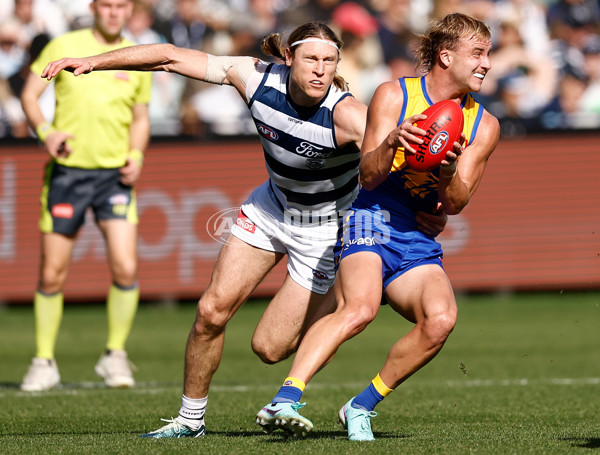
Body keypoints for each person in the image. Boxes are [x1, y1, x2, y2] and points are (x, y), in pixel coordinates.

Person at [40, 21, 447, 437]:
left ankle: (342, 301)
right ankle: (189, 420)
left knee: (269, 349)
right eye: (311, 59)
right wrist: (93, 61)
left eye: (329, 61)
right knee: (209, 313)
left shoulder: (348, 116)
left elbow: (389, 169)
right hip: (270, 209)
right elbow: (169, 55)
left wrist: (432, 208)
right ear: (289, 58)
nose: (320, 70)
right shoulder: (253, 76)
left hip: (325, 233)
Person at [256, 12, 500, 441]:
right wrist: (392, 141)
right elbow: (367, 176)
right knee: (360, 308)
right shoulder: (394, 95)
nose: (486, 63)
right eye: (477, 53)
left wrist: (444, 175)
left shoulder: (485, 124)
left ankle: (361, 407)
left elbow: (457, 203)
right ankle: (285, 399)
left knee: (440, 319)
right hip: (371, 213)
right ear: (446, 56)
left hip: (417, 234)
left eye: (488, 54)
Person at [19, 0, 151, 392]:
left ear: (129, 10)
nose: (113, 13)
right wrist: (47, 134)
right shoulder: (63, 44)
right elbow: (29, 95)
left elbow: (141, 117)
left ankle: (114, 355)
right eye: (106, 5)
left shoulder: (135, 57)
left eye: (120, 6)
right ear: (93, 8)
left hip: (114, 177)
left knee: (126, 268)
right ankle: (43, 361)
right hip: (68, 174)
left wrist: (137, 155)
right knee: (52, 273)